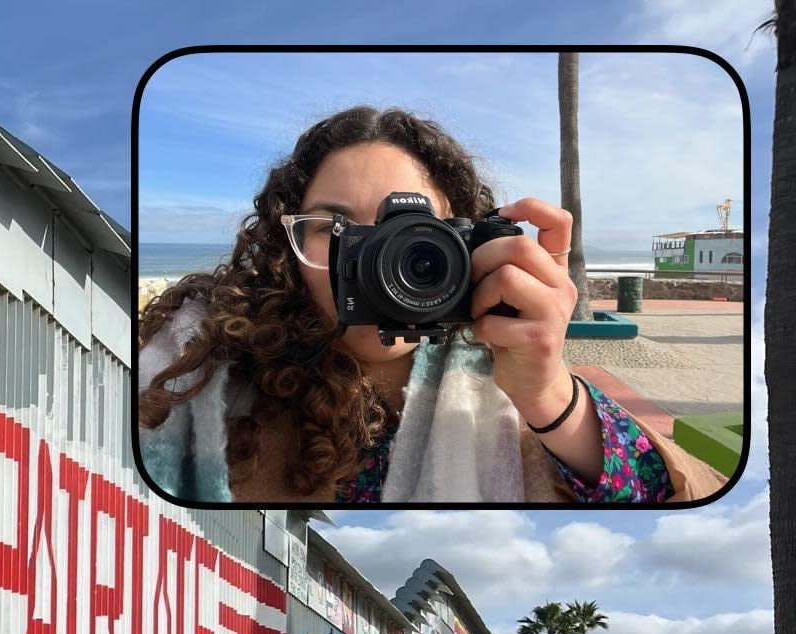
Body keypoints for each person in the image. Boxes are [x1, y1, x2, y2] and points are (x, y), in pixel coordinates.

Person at [135, 106, 723, 506]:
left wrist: (550, 398)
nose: (370, 261)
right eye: (334, 228)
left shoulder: (510, 387)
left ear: (468, 252)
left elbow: (675, 494)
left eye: (410, 237)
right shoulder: (196, 370)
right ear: (285, 245)